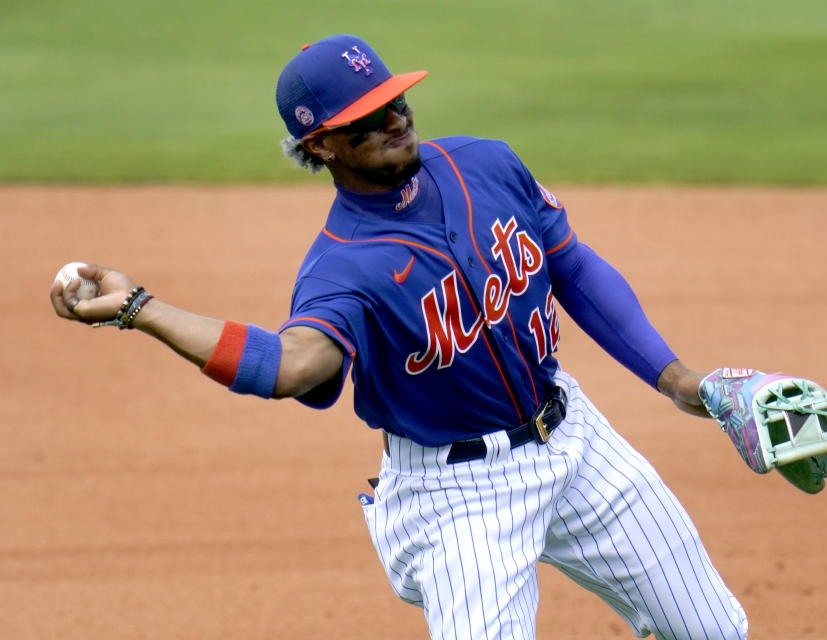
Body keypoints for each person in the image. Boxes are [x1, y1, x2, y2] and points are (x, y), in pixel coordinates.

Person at [51, 34, 748, 640]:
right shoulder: (341, 267)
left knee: (714, 629)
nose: (396, 120)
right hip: (460, 496)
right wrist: (141, 307)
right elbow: (289, 366)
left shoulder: (488, 163)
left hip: (576, 437)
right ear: (320, 144)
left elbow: (573, 266)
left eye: (396, 101)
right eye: (367, 119)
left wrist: (679, 379)